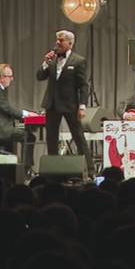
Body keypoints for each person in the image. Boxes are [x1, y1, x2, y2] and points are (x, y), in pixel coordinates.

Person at [36, 30, 94, 175]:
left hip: (70, 104)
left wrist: (82, 106)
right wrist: (45, 62)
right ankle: (52, 171)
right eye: (57, 40)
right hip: (52, 104)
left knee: (78, 137)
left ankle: (90, 170)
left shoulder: (78, 61)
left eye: (61, 40)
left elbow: (83, 85)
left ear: (70, 43)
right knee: (51, 138)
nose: (57, 43)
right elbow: (40, 76)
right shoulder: (52, 59)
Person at [0, 64, 36, 170]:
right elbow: (7, 109)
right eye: (10, 76)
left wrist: (27, 114)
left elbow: (7, 110)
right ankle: (25, 168)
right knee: (28, 136)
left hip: (4, 126)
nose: (12, 79)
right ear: (2, 77)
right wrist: (26, 114)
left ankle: (26, 167)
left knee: (28, 133)